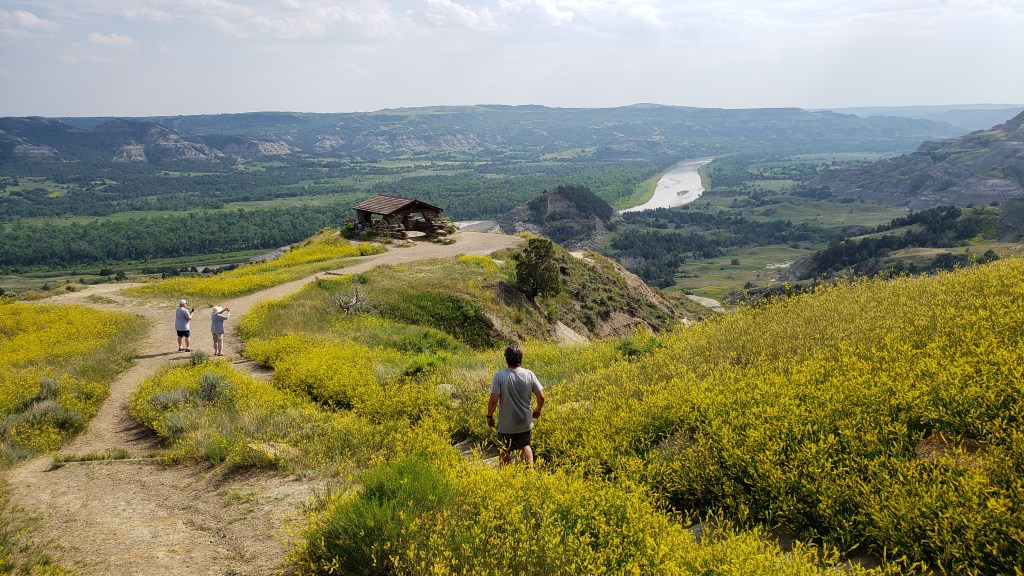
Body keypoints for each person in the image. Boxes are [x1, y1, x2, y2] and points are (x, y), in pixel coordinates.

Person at [487, 341, 545, 467]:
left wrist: (489, 417)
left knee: (504, 449)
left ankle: (506, 475)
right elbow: (541, 397)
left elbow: (493, 400)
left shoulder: (500, 376)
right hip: (525, 421)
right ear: (521, 357)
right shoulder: (529, 374)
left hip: (506, 423)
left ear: (506, 358)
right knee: (525, 445)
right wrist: (538, 410)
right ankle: (529, 472)